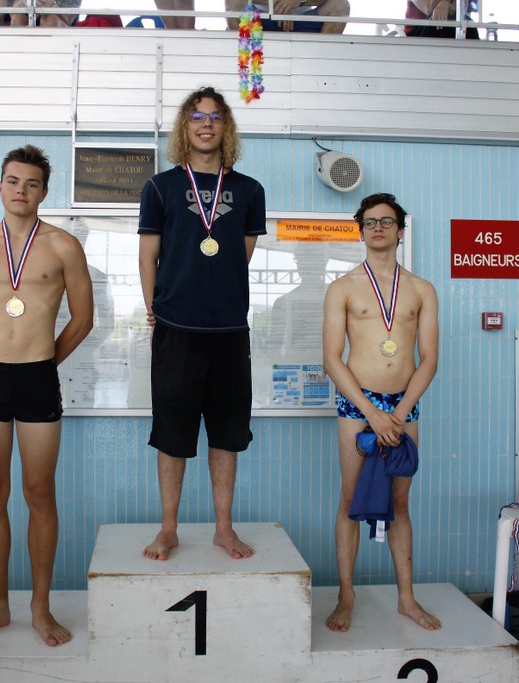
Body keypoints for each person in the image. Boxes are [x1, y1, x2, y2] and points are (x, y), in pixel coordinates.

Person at [0, 145, 94, 645]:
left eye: (31, 183)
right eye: (13, 181)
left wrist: (44, 363)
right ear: (0, 186)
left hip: (38, 378)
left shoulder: (63, 246)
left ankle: (40, 608)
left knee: (38, 492)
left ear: (43, 192)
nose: (21, 190)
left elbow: (83, 319)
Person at [138, 86, 266, 562]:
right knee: (172, 433)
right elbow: (148, 256)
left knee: (227, 434)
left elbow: (240, 256)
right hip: (176, 328)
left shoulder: (250, 190)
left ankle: (223, 529)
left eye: (214, 116)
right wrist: (155, 307)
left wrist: (216, 292)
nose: (206, 124)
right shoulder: (160, 187)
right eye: (196, 116)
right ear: (184, 127)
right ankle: (168, 528)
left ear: (225, 126)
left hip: (229, 331)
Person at [322, 192, 440, 633]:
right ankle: (346, 594)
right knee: (350, 499)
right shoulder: (343, 287)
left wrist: (400, 412)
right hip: (358, 405)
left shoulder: (422, 289)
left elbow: (429, 359)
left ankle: (406, 598)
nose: (378, 228)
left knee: (400, 502)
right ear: (361, 231)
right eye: (370, 222)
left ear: (400, 231)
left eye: (386, 221)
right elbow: (332, 358)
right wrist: (372, 413)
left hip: (404, 405)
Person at [224, 0, 351, 35]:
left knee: (340, 5)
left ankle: (323, 58)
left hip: (303, 18)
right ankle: (241, 59)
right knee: (232, 1)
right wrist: (281, 6)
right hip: (260, 18)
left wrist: (298, 1)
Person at [404, 0, 479, 39]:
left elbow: (461, 11)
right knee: (437, 21)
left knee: (468, 24)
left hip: (445, 27)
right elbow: (430, 9)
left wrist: (446, 5)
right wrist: (446, 3)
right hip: (416, 32)